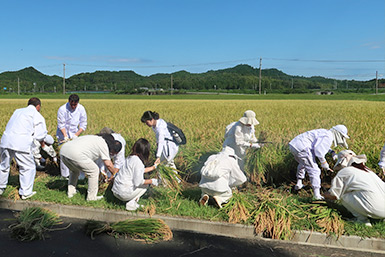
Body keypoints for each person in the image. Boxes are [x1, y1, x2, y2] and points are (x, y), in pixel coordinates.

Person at [0, 97, 47, 200]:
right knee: (28, 167)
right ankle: (26, 192)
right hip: (21, 143)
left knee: (3, 166)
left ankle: (0, 187)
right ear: (38, 106)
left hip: (6, 140)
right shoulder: (37, 115)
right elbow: (40, 135)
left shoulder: (17, 111)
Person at [323, 150, 385, 227]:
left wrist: (324, 195)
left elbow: (335, 195)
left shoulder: (345, 171)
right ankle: (380, 219)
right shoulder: (368, 171)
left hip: (376, 210)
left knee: (342, 195)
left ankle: (362, 220)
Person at [289, 125, 349, 200]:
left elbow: (320, 145)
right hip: (303, 147)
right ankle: (317, 195)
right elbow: (318, 151)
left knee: (303, 164)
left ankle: (299, 183)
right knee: (314, 170)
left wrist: (332, 152)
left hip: (294, 145)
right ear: (338, 134)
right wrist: (324, 163)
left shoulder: (325, 132)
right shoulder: (328, 137)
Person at [60, 134, 121, 201]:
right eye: (113, 153)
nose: (112, 155)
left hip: (63, 151)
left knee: (74, 171)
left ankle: (71, 192)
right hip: (75, 154)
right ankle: (91, 197)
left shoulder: (96, 139)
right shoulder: (104, 145)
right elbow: (108, 164)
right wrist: (115, 174)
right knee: (94, 171)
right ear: (112, 149)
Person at [112, 138, 160, 211]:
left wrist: (153, 167)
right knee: (145, 185)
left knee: (141, 183)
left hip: (115, 191)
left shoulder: (130, 158)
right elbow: (138, 182)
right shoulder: (138, 162)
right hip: (123, 193)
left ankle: (128, 201)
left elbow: (138, 171)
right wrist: (152, 181)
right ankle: (131, 204)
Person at [56, 94, 87, 179]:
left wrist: (76, 134)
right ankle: (65, 175)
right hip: (62, 134)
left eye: (75, 105)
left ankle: (76, 174)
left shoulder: (81, 109)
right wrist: (65, 136)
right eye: (71, 104)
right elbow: (61, 124)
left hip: (74, 133)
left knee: (76, 153)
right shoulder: (62, 109)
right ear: (69, 101)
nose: (73, 106)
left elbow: (83, 124)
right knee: (64, 154)